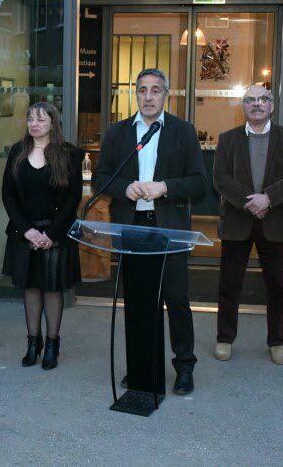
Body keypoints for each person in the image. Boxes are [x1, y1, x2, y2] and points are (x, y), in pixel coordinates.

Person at [92, 68, 206, 395]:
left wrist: (165, 187)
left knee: (176, 298)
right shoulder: (117, 133)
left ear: (165, 95)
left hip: (169, 228)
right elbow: (101, 178)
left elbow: (199, 183)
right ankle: (141, 364)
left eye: (155, 90)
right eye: (142, 90)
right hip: (133, 228)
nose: (148, 96)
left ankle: (184, 366)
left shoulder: (183, 132)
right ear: (135, 94)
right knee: (139, 301)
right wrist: (124, 187)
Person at [213, 84, 283, 365]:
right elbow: (221, 178)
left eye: (262, 99)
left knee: (278, 286)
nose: (256, 104)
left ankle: (277, 342)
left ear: (271, 106)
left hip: (275, 221)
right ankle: (225, 339)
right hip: (238, 221)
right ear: (243, 107)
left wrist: (268, 199)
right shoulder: (228, 139)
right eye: (250, 100)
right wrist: (250, 201)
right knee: (230, 284)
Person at [1, 102, 84, 370]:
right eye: (30, 119)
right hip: (25, 232)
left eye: (41, 119)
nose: (34, 124)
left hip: (55, 233)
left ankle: (51, 345)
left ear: (53, 123)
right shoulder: (17, 152)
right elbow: (8, 195)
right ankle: (32, 343)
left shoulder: (69, 154)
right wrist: (27, 230)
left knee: (52, 288)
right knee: (31, 287)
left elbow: (73, 198)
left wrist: (51, 233)